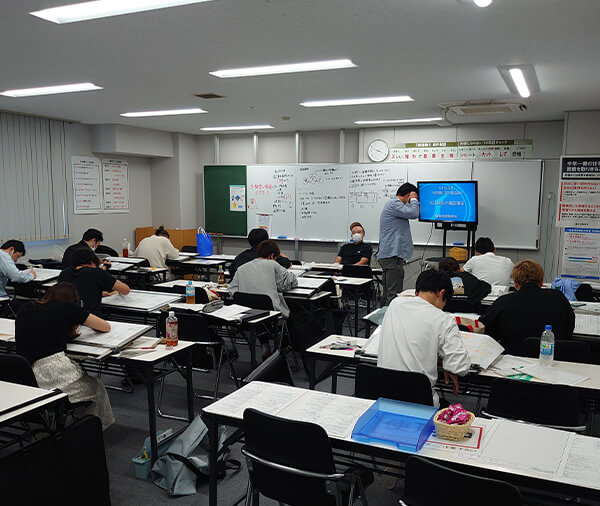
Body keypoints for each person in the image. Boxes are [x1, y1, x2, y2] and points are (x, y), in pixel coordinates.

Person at [15, 282, 115, 430]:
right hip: (54, 373)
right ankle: (90, 433)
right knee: (96, 386)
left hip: (26, 377)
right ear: (74, 300)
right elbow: (105, 326)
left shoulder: (25, 308)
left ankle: (48, 432)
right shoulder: (66, 306)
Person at [378, 269, 471, 407]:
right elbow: (460, 367)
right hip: (420, 404)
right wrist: (446, 361)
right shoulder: (443, 320)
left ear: (417, 291)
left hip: (383, 398)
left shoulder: (394, 304)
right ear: (442, 293)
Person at [480, 260, 575, 355]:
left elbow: (485, 329)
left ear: (516, 284)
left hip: (513, 360)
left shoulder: (503, 302)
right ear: (541, 282)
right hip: (553, 359)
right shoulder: (558, 298)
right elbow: (569, 329)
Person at [228, 239, 298, 357]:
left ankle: (265, 345)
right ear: (272, 256)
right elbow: (289, 282)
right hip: (270, 313)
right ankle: (285, 345)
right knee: (293, 313)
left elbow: (232, 290)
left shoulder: (242, 268)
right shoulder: (272, 264)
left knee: (258, 311)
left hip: (247, 314)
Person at [377, 183, 420, 306]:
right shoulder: (394, 204)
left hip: (389, 255)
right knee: (394, 295)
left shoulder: (393, 204)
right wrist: (414, 199)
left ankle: (383, 320)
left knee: (388, 293)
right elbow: (413, 213)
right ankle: (390, 322)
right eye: (411, 198)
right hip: (391, 255)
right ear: (408, 195)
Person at [58, 248, 130, 316]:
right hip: (90, 318)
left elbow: (78, 289)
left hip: (67, 317)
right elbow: (126, 290)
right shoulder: (96, 272)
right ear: (92, 262)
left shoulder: (64, 273)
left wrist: (98, 293)